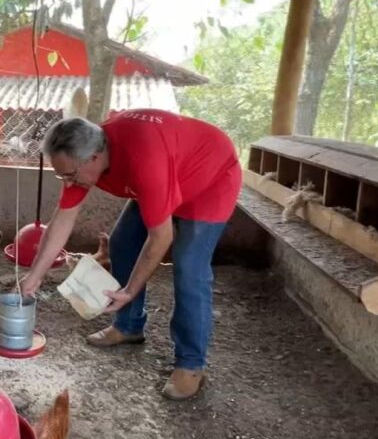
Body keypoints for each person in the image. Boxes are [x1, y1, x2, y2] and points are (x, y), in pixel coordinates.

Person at [19, 109, 241, 400]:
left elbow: (161, 238)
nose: (68, 183)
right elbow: (63, 218)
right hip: (165, 174)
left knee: (190, 269)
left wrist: (130, 289)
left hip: (209, 178)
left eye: (70, 175)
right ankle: (128, 325)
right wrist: (34, 277)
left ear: (95, 158)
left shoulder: (145, 162)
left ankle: (190, 364)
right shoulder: (85, 154)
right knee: (122, 244)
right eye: (61, 175)